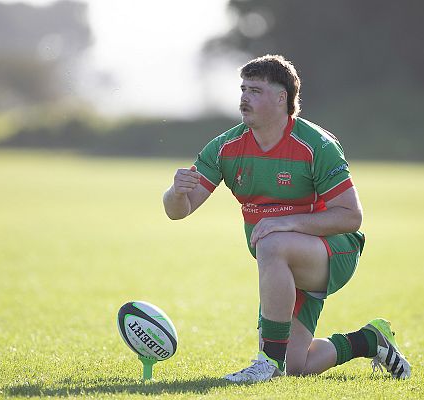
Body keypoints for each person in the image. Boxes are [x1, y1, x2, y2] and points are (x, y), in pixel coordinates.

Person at [162, 54, 410, 382]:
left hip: (334, 252)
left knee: (272, 244)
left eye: (255, 90)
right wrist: (176, 192)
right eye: (243, 89)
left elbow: (352, 216)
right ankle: (370, 339)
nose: (244, 98)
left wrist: (287, 223)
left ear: (282, 98)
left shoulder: (316, 145)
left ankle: (267, 363)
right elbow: (178, 211)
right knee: (299, 366)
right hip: (283, 267)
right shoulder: (226, 147)